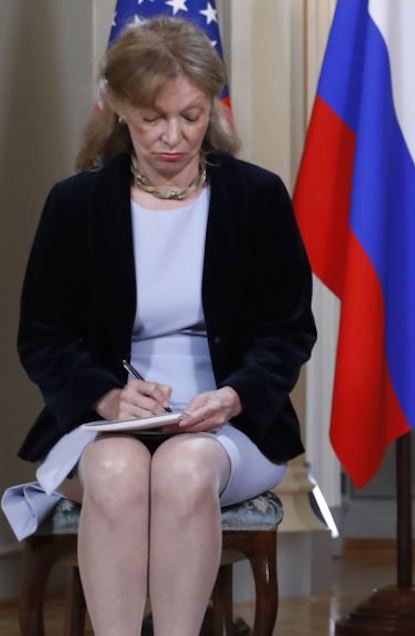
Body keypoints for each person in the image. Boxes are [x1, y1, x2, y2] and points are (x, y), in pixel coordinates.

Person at [7, 17, 315, 635]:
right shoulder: (76, 204)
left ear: (211, 108)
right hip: (104, 416)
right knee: (119, 473)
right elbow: (42, 335)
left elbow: (288, 330)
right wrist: (106, 394)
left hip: (231, 422)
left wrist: (233, 395)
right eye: (153, 119)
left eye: (192, 116)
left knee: (183, 468)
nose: (174, 137)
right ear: (120, 109)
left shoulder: (257, 198)